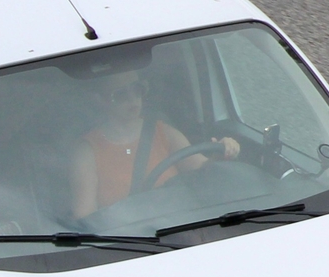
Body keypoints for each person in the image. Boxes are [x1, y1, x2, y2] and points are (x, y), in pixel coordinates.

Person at [71, 72, 237, 218]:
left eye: (137, 89)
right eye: (120, 94)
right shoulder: (87, 151)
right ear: (100, 100)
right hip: (127, 242)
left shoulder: (163, 132)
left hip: (179, 226)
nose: (132, 98)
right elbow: (85, 218)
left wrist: (222, 152)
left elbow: (202, 174)